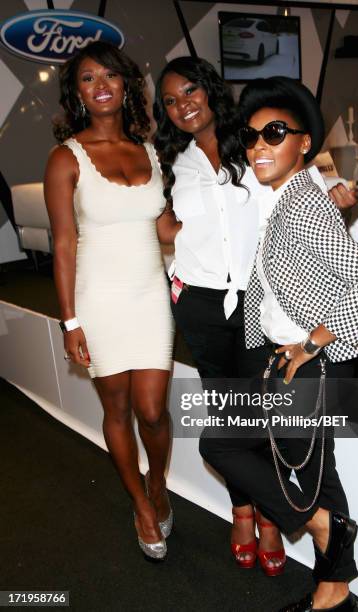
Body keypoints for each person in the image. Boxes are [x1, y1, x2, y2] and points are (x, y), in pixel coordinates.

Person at [153, 56, 358, 576]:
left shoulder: (265, 162)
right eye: (169, 99)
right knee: (237, 428)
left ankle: (297, 533)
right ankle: (264, 520)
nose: (182, 104)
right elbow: (163, 223)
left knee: (283, 442)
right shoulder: (173, 163)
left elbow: (356, 270)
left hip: (285, 331)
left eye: (191, 90)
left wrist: (316, 340)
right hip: (222, 312)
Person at [199, 76, 358, 611]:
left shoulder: (302, 205)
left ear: (304, 142)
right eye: (252, 136)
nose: (258, 145)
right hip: (289, 360)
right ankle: (335, 580)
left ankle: (330, 546)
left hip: (312, 364)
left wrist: (312, 343)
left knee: (226, 447)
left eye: (275, 133)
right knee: (312, 473)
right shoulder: (289, 198)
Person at [44, 41, 175, 561]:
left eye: (109, 76)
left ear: (126, 85)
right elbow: (62, 243)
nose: (100, 86)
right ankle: (141, 504)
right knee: (117, 410)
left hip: (149, 295)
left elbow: (165, 226)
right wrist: (70, 321)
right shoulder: (65, 158)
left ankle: (159, 483)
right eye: (87, 79)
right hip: (97, 299)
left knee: (154, 411)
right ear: (77, 94)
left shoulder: (150, 151)